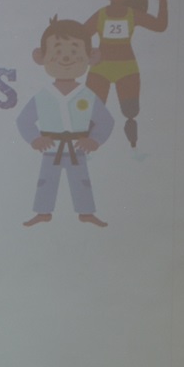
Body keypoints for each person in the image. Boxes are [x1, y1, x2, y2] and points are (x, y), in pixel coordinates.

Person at [17, 16, 115, 227]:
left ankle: (86, 212)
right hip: (51, 147)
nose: (66, 58)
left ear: (91, 56)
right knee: (46, 181)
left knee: (82, 181)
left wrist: (94, 139)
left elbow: (106, 121)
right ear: (41, 57)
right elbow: (24, 120)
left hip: (77, 147)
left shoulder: (87, 95)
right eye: (58, 52)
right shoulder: (44, 96)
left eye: (74, 52)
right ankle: (43, 212)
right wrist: (35, 139)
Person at [81, 0, 171, 148]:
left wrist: (163, 1)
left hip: (127, 68)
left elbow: (159, 26)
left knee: (130, 109)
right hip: (100, 68)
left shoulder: (132, 14)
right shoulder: (101, 15)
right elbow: (82, 34)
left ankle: (132, 142)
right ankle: (88, 143)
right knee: (93, 109)